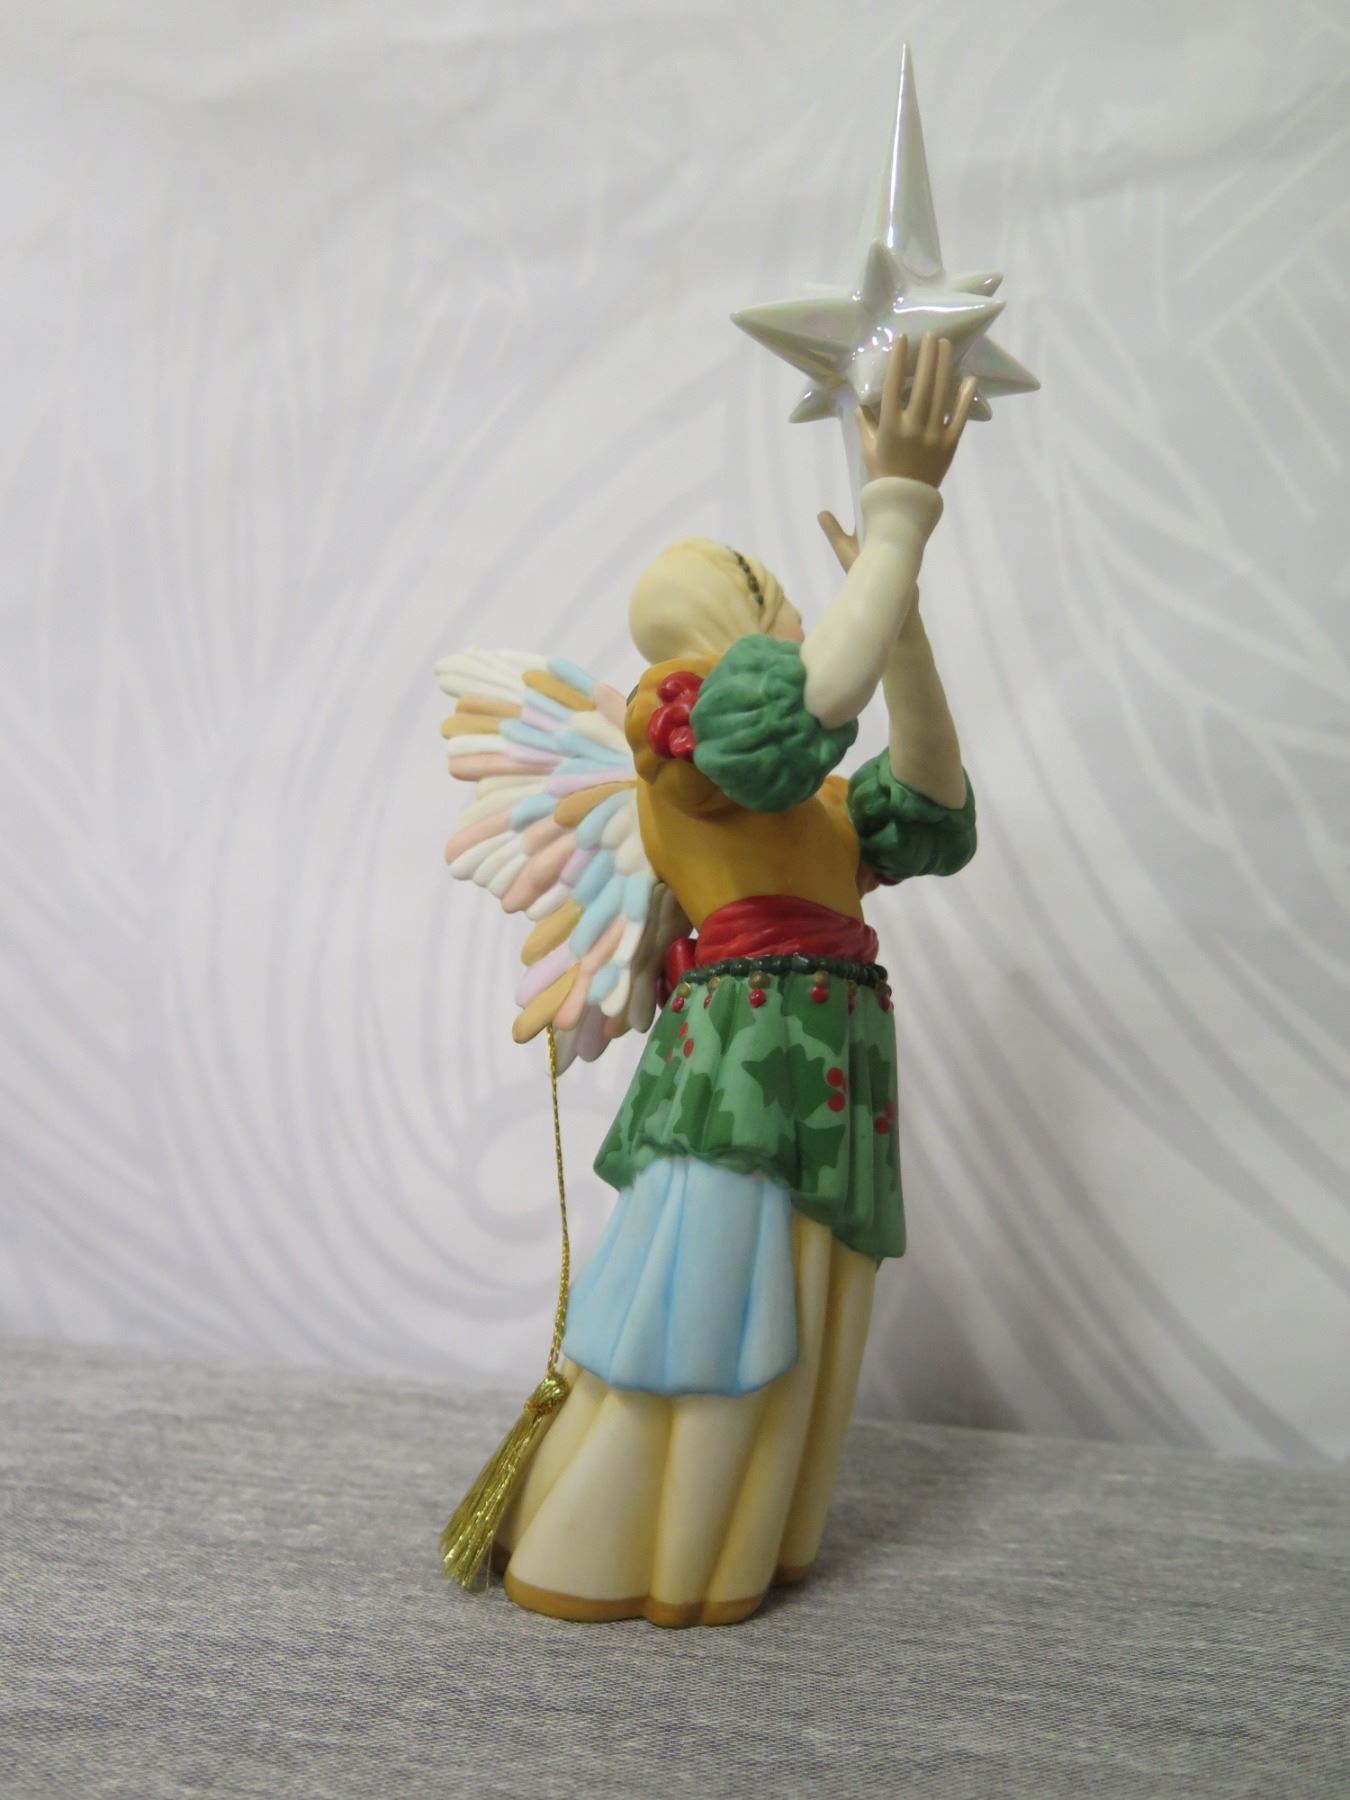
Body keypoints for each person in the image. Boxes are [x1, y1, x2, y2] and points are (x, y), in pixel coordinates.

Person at [494, 332, 979, 1626]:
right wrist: (898, 510)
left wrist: (905, 624)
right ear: (736, 615)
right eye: (775, 592)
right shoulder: (685, 735)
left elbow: (934, 806)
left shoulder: (814, 800)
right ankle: (617, 1548)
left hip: (830, 1068)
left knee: (804, 1313)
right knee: (715, 1310)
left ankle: (731, 1549)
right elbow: (812, 694)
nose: (804, 612)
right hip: (745, 1070)